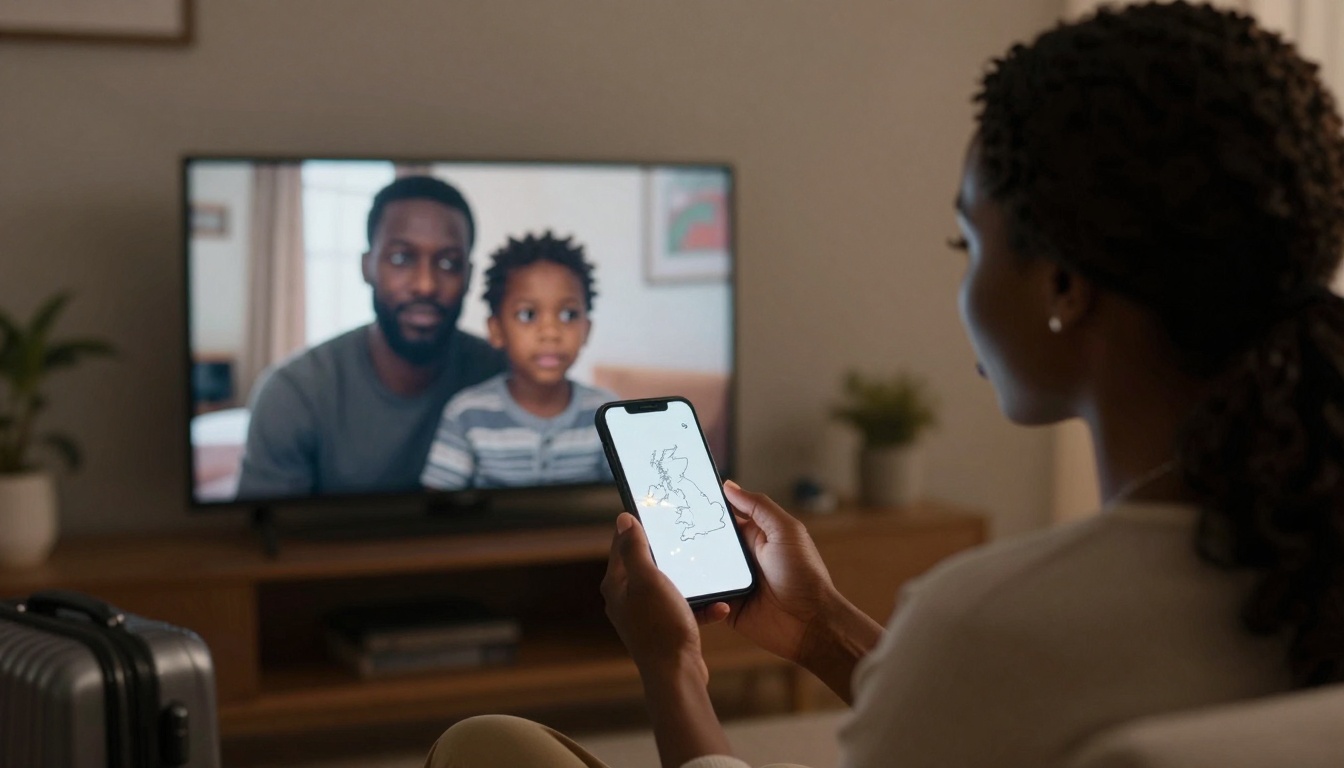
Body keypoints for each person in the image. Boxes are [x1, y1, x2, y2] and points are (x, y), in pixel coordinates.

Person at [424, 2, 1344, 767]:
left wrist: (674, 670)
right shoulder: (1302, 567)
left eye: (968, 243)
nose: (962, 280)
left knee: (489, 746)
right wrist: (822, 626)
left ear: (1064, 286)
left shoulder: (989, 625)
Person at [237, 176, 506, 499]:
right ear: (367, 266)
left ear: (469, 278)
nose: (425, 285)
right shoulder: (294, 394)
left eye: (449, 263)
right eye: (401, 258)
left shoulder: (504, 376)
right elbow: (264, 536)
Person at [420, 231, 615, 490]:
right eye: (528, 314)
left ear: (587, 329)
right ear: (497, 330)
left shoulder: (606, 413)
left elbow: (625, 508)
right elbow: (437, 510)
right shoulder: (467, 414)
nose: (550, 332)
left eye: (568, 314)